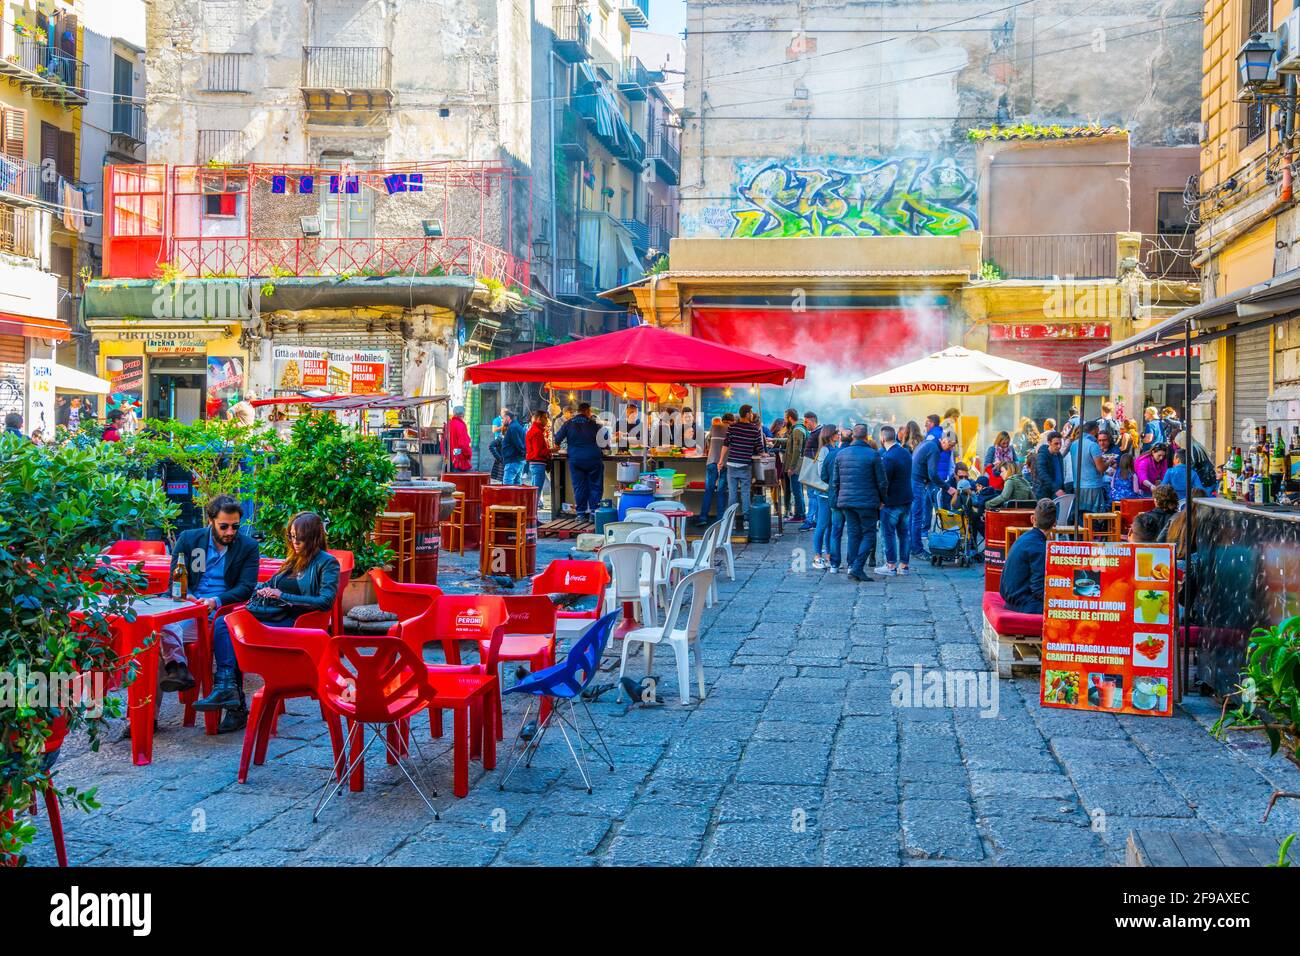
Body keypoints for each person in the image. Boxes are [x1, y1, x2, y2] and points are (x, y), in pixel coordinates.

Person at [196, 512, 339, 730]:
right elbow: (270, 583)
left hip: (295, 625)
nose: (295, 542)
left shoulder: (327, 563)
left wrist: (283, 596)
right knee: (225, 622)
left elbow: (325, 601)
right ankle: (227, 688)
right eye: (291, 536)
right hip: (274, 617)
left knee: (233, 633)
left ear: (313, 536)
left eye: (299, 537)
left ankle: (235, 706)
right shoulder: (293, 560)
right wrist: (261, 590)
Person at [169, 496, 261, 733]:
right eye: (224, 526)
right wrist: (188, 597)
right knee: (159, 629)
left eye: (235, 526)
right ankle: (177, 669)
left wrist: (215, 601)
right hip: (190, 608)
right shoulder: (190, 540)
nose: (230, 532)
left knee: (226, 626)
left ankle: (230, 696)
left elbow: (245, 587)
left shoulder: (247, 546)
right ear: (211, 521)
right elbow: (175, 579)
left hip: (224, 608)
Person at [828, 423, 887, 583]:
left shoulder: (841, 454)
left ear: (853, 436)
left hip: (846, 501)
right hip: (867, 502)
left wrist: (841, 496)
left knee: (853, 533)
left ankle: (852, 566)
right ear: (867, 437)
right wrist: (883, 499)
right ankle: (857, 567)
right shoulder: (873, 455)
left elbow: (835, 482)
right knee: (869, 534)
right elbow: (882, 482)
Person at [999, 498, 1055, 614]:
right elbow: (1039, 590)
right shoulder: (1039, 547)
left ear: (1032, 519)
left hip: (1011, 599)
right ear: (1054, 524)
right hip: (1023, 604)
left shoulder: (1023, 538)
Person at [554, 402, 604, 521]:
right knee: (595, 486)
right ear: (587, 411)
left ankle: (581, 514)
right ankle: (593, 513)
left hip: (576, 459)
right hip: (593, 459)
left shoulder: (568, 423)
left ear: (578, 411)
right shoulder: (594, 424)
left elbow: (557, 439)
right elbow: (604, 442)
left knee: (579, 486)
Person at [909, 427, 953, 558]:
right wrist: (947, 487)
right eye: (950, 445)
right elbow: (933, 474)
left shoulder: (928, 443)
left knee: (913, 516)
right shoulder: (934, 449)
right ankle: (917, 550)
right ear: (944, 440)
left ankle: (912, 546)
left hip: (914, 480)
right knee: (917, 516)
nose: (950, 449)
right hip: (917, 482)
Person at [875, 424, 913, 576]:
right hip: (906, 499)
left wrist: (881, 500)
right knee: (904, 534)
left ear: (883, 438)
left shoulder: (888, 458)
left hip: (892, 502)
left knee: (889, 533)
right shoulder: (905, 453)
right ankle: (904, 566)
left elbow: (884, 483)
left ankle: (890, 565)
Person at [720, 404, 764, 531]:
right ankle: (746, 521)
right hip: (745, 465)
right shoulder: (754, 429)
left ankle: (730, 522)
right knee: (745, 493)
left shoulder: (732, 428)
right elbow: (759, 448)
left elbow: (725, 444)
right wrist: (764, 454)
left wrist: (721, 461)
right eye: (751, 412)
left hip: (732, 464)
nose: (752, 414)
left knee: (732, 494)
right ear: (747, 414)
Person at [808, 424, 838, 570]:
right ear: (830, 435)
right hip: (824, 493)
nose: (838, 435)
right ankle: (817, 556)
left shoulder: (832, 449)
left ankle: (828, 555)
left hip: (830, 493)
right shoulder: (825, 450)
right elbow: (821, 473)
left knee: (831, 525)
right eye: (836, 433)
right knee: (822, 524)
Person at [695, 413, 732, 526]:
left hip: (711, 462)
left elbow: (706, 445)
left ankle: (703, 518)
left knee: (708, 490)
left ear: (723, 420)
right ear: (731, 421)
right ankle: (720, 519)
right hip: (725, 463)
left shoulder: (713, 427)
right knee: (721, 491)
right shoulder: (732, 429)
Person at [1074, 420, 1111, 516]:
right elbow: (1101, 468)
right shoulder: (1093, 445)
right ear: (1095, 430)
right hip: (1093, 486)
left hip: (1078, 485)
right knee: (1094, 517)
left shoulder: (1074, 444)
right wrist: (1109, 461)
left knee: (1081, 517)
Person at [784, 407, 809, 523]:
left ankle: (799, 515)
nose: (785, 420)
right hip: (799, 465)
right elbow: (791, 442)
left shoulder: (797, 430)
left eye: (785, 417)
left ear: (789, 417)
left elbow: (797, 450)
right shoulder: (797, 429)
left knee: (796, 490)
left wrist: (792, 467)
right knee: (797, 490)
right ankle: (801, 513)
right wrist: (776, 439)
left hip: (797, 466)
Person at [525, 409, 552, 506]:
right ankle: (533, 517)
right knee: (536, 491)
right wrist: (551, 450)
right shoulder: (537, 432)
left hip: (536, 464)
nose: (547, 420)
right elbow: (538, 452)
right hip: (538, 463)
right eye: (545, 418)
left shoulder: (536, 430)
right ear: (539, 419)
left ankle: (533, 516)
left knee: (535, 490)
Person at [1032, 430, 1066, 500]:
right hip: (1044, 493)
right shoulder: (1042, 455)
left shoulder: (1058, 455)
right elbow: (1042, 474)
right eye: (1056, 444)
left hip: (1056, 492)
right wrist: (1056, 489)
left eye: (1060, 443)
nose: (1059, 446)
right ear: (1049, 442)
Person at [442, 405, 473, 473]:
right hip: (460, 461)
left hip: (449, 459)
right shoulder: (461, 425)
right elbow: (463, 444)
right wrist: (468, 454)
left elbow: (443, 442)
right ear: (462, 414)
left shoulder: (449, 424)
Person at [500, 408, 527, 485]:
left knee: (507, 483)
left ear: (507, 417)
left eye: (503, 418)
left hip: (513, 460)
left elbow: (518, 443)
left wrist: (522, 453)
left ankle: (509, 497)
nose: (502, 421)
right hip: (518, 459)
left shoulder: (513, 427)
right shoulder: (517, 426)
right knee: (516, 483)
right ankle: (516, 497)